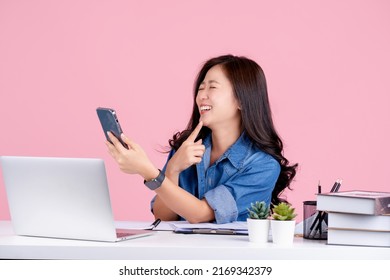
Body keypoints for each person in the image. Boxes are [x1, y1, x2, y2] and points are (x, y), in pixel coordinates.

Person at [106, 54, 297, 224]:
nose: (201, 96)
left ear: (241, 100)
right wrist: (172, 168)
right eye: (200, 88)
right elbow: (162, 216)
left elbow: (200, 214)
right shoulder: (187, 148)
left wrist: (146, 171)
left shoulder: (262, 166)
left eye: (212, 87)